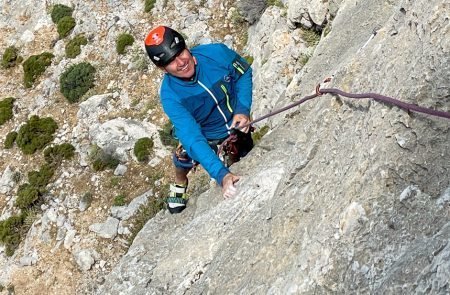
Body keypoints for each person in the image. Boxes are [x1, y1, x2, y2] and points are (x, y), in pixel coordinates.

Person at [144, 26, 253, 214]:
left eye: (180, 53)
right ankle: (179, 183)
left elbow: (243, 73)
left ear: (186, 47)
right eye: (171, 61)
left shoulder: (216, 53)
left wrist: (242, 110)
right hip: (205, 134)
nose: (181, 62)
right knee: (183, 157)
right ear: (163, 69)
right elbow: (192, 137)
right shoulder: (171, 95)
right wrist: (221, 176)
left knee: (240, 158)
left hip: (237, 126)